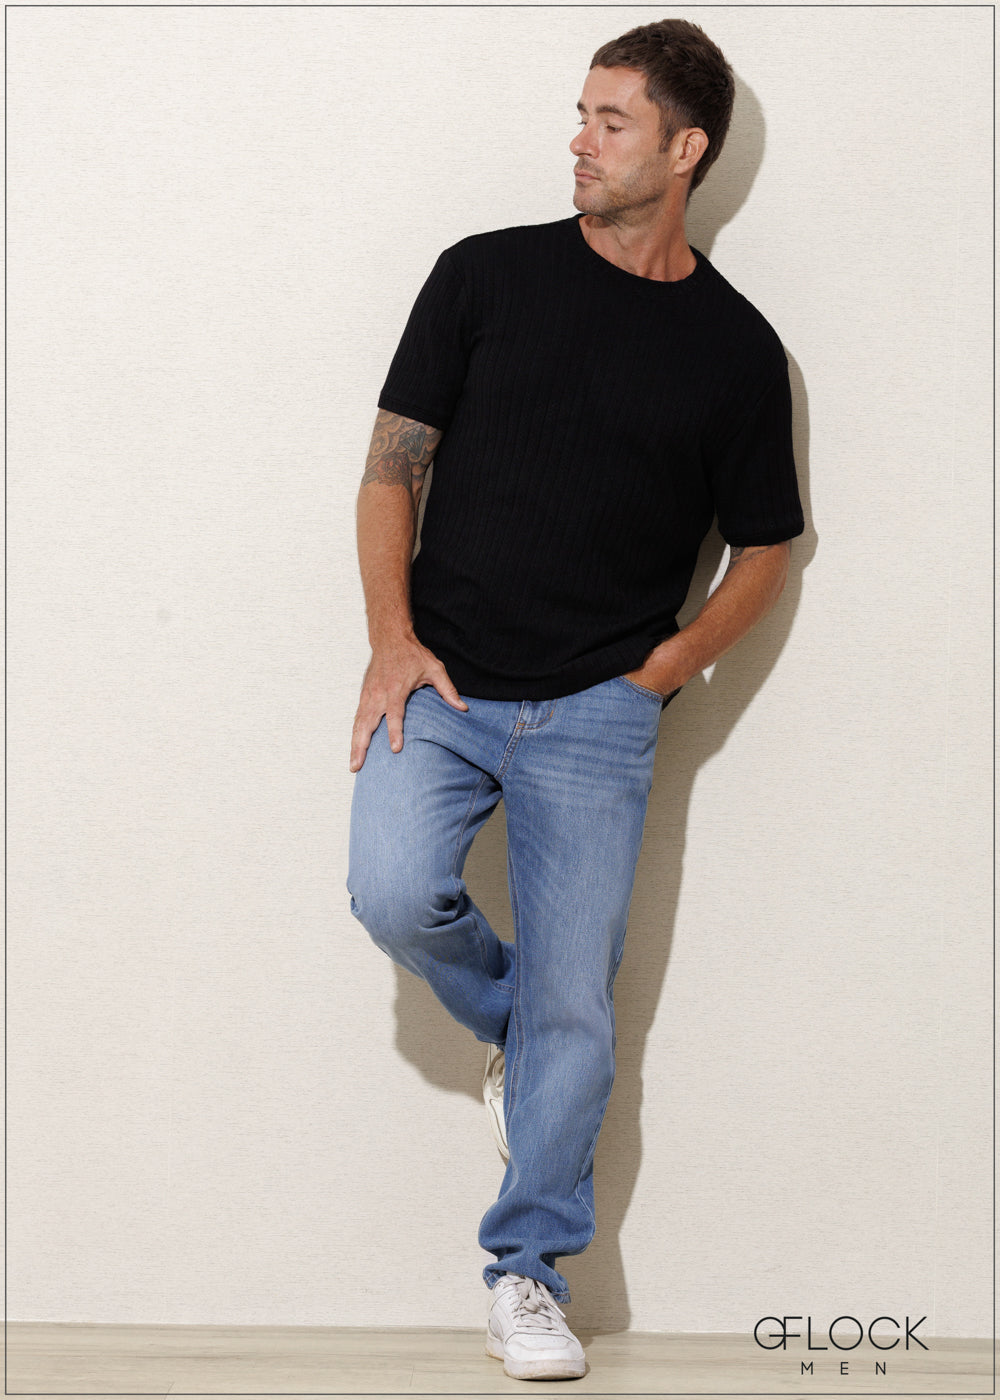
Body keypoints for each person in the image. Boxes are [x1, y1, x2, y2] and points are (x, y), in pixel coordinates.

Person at [346, 17, 804, 1383]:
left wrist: (660, 672)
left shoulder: (737, 351)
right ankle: (527, 1028)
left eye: (613, 121)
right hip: (444, 682)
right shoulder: (483, 276)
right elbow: (391, 469)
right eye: (582, 114)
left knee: (580, 1005)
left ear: (685, 149)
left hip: (598, 717)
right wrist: (389, 639)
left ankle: (526, 1273)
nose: (580, 141)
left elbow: (768, 547)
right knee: (394, 892)